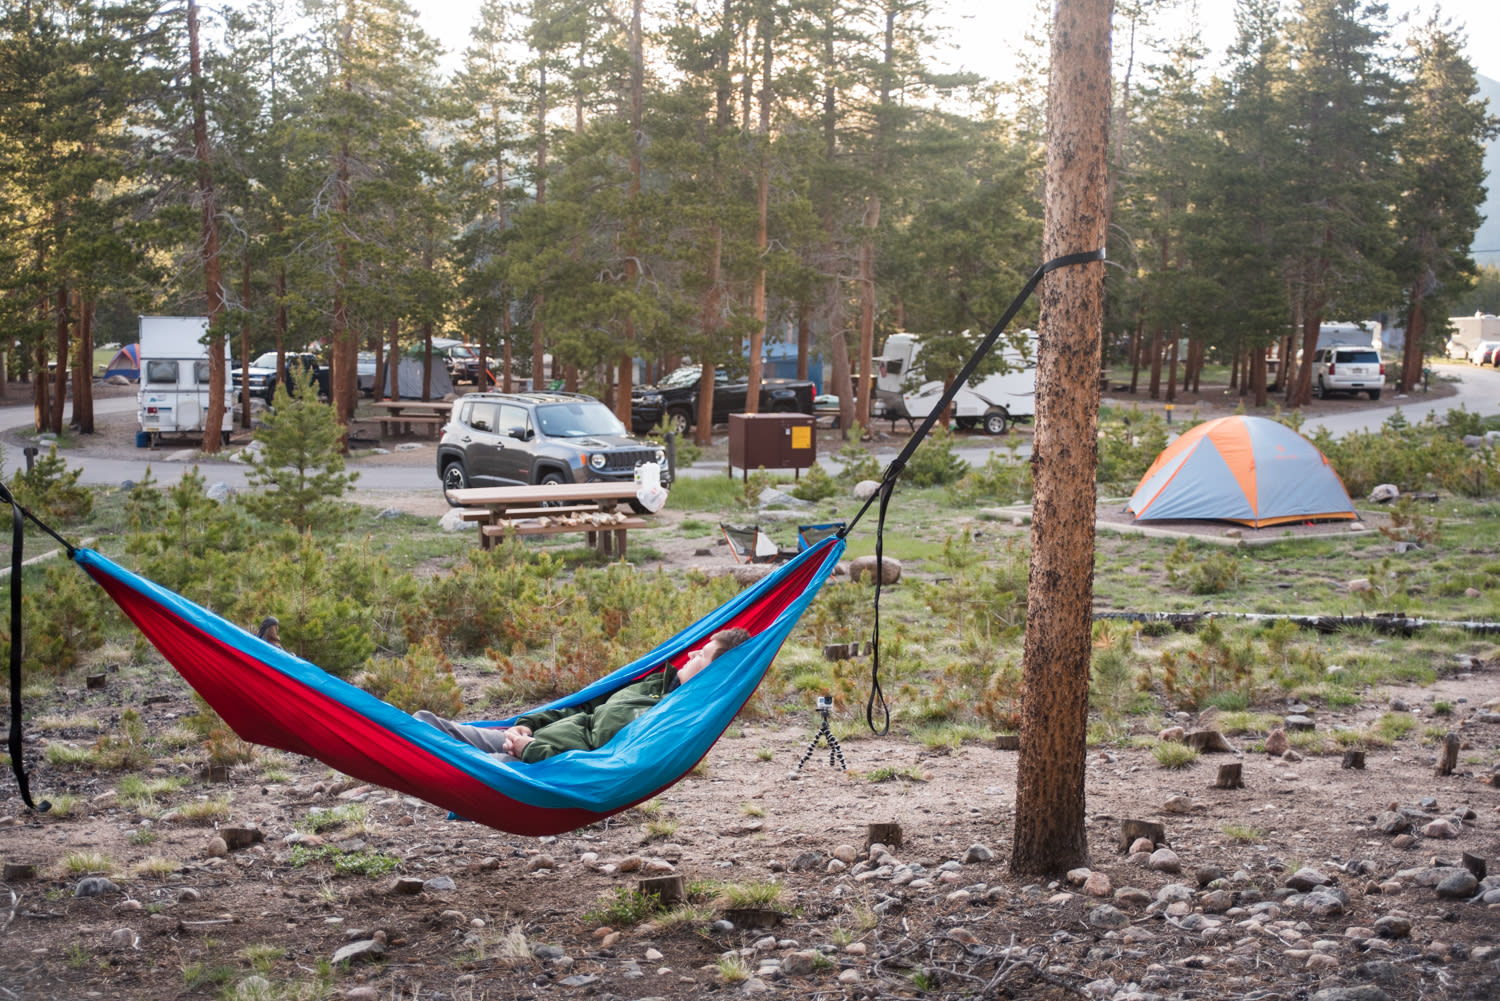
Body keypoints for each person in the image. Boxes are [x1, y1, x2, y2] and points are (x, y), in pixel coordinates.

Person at [414, 627, 752, 763]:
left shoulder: (670, 719)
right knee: (421, 725)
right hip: (529, 741)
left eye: (702, 656)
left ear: (711, 674)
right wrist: (527, 725)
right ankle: (371, 737)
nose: (693, 655)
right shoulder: (654, 682)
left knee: (449, 762)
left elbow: (605, 762)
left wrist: (532, 750)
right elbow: (584, 707)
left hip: (538, 770)